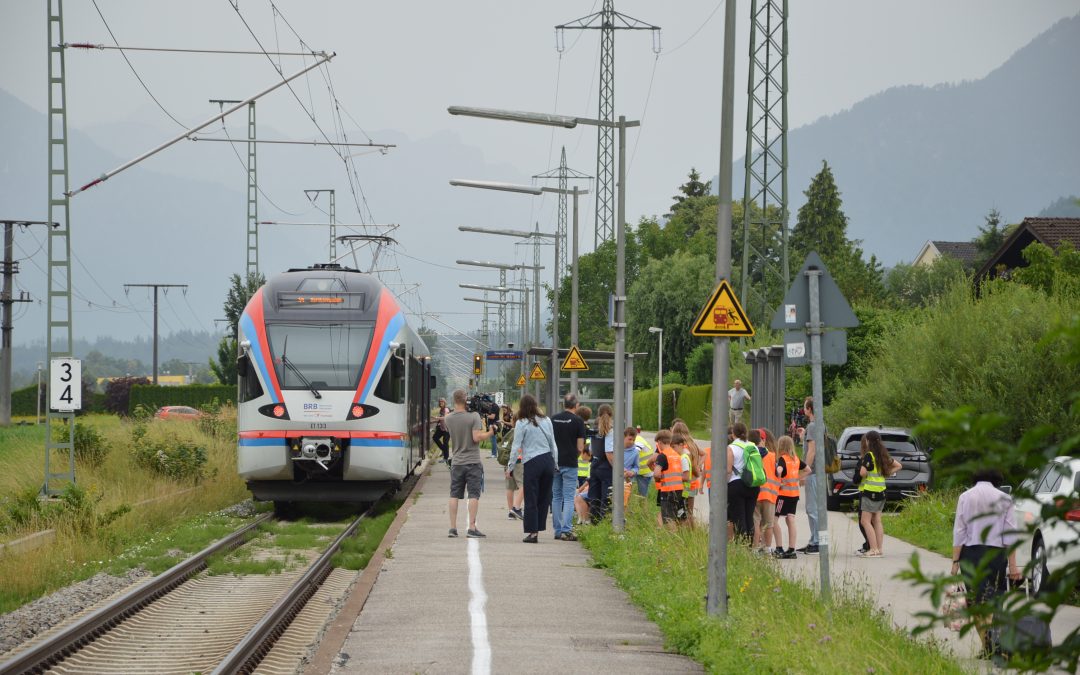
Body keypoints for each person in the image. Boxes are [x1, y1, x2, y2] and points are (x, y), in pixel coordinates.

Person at [951, 468, 1022, 653]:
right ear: (997, 479)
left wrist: (955, 561)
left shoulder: (965, 497)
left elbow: (959, 531)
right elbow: (1010, 535)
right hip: (996, 555)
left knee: (976, 601)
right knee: (995, 599)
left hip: (971, 554)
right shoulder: (1005, 499)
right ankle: (995, 644)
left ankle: (986, 646)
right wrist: (1013, 566)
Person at [507, 394, 558, 544]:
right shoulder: (547, 420)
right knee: (544, 497)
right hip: (548, 460)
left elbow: (516, 446)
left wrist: (510, 466)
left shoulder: (521, 423)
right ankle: (539, 527)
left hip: (532, 462)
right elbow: (553, 444)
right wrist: (555, 463)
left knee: (531, 498)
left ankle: (532, 532)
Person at [445, 389, 493, 538]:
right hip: (472, 462)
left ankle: (452, 528)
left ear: (454, 400)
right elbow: (476, 437)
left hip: (457, 462)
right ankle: (472, 528)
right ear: (465, 399)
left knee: (454, 494)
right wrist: (491, 432)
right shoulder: (474, 416)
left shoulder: (448, 418)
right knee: (473, 495)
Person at [855, 430, 902, 557]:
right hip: (882, 491)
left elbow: (862, 473)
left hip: (870, 491)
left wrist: (867, 471)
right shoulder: (883, 454)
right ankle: (879, 549)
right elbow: (899, 466)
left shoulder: (869, 455)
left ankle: (873, 549)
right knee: (877, 520)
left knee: (865, 521)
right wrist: (886, 473)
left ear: (868, 441)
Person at [550, 393, 587, 541]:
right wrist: (574, 455)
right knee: (569, 497)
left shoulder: (553, 419)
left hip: (555, 462)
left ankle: (557, 530)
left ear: (563, 404)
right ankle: (566, 529)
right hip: (570, 463)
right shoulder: (578, 421)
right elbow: (580, 447)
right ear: (576, 405)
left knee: (556, 496)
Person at [773, 435, 810, 558]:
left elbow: (779, 470)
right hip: (794, 495)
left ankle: (779, 548)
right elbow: (808, 470)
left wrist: (779, 480)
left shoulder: (782, 459)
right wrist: (797, 478)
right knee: (790, 519)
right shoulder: (796, 459)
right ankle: (791, 549)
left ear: (780, 446)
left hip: (783, 495)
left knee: (773, 520)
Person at [726, 422, 758, 541]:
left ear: (733, 434)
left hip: (736, 484)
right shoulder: (753, 446)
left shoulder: (731, 448)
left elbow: (728, 470)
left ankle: (741, 545)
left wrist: (725, 484)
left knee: (739, 518)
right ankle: (749, 545)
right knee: (749, 517)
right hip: (753, 485)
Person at [798, 396, 822, 555]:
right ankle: (815, 540)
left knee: (812, 509)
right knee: (814, 508)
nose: (803, 409)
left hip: (813, 473)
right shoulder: (819, 425)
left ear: (810, 409)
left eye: (805, 407)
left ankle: (817, 542)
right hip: (817, 472)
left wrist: (804, 473)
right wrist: (803, 437)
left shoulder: (813, 426)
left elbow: (812, 451)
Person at [651, 429, 688, 528]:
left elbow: (656, 474)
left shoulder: (662, 456)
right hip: (679, 490)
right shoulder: (677, 455)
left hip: (668, 491)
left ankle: (672, 536)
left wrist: (658, 480)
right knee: (677, 517)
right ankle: (679, 536)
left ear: (659, 442)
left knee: (668, 519)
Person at [587, 404, 615, 521]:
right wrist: (617, 468)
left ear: (598, 414)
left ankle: (594, 521)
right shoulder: (610, 430)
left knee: (594, 496)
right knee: (606, 496)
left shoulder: (594, 429)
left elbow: (591, 450)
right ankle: (605, 521)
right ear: (611, 415)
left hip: (594, 466)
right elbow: (609, 453)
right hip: (606, 467)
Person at [753, 429, 779, 553]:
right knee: (769, 524)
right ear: (763, 440)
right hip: (769, 495)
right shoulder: (773, 456)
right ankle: (767, 548)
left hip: (755, 494)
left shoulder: (751, 455)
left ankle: (755, 548)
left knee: (756, 522)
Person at [671, 420, 701, 518]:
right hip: (693, 482)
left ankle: (686, 527)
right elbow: (701, 456)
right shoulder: (692, 444)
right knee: (689, 511)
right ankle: (691, 527)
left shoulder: (683, 448)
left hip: (685, 483)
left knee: (682, 512)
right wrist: (698, 467)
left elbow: (689, 465)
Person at [432, 397, 451, 464]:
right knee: (435, 437)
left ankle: (446, 458)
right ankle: (443, 449)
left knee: (445, 443)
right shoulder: (441, 410)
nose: (441, 403)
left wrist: (436, 417)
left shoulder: (446, 409)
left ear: (444, 403)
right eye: (440, 402)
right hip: (442, 428)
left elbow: (445, 417)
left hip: (447, 429)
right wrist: (433, 421)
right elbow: (440, 419)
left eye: (442, 402)